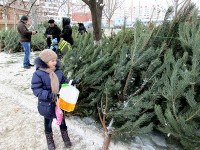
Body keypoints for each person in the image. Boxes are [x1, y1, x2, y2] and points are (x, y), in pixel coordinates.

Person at [31, 49, 73, 150]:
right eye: (52, 60)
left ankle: (65, 137)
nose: (55, 62)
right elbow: (36, 89)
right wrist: (49, 95)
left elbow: (62, 83)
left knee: (62, 121)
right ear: (45, 62)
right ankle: (49, 140)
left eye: (55, 60)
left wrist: (71, 82)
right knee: (48, 122)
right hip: (47, 104)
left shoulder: (58, 72)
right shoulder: (38, 74)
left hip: (59, 103)